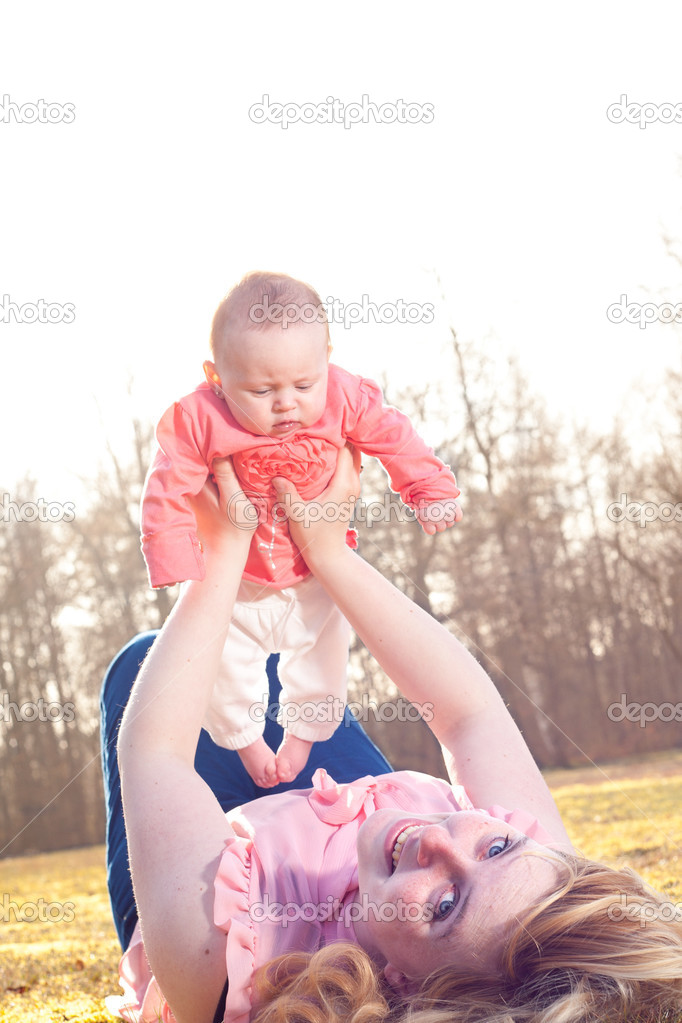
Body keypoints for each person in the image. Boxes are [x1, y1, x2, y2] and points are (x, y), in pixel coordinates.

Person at [104, 451, 682, 1023]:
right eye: (495, 847)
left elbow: (156, 755)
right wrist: (327, 551)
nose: (441, 842)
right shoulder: (537, 883)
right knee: (279, 684)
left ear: (412, 988)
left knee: (140, 666)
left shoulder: (237, 967)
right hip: (352, 821)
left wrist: (223, 556)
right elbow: (469, 715)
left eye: (445, 905)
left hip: (243, 898)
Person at [140, 271, 462, 788]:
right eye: (261, 389)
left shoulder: (346, 397)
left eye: (303, 384)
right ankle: (245, 742)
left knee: (324, 652)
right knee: (221, 660)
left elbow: (394, 437)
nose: (286, 402)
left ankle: (304, 736)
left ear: (327, 359)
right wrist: (173, 556)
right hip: (239, 583)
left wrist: (429, 489)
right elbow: (167, 484)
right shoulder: (198, 417)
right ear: (217, 376)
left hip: (313, 571)